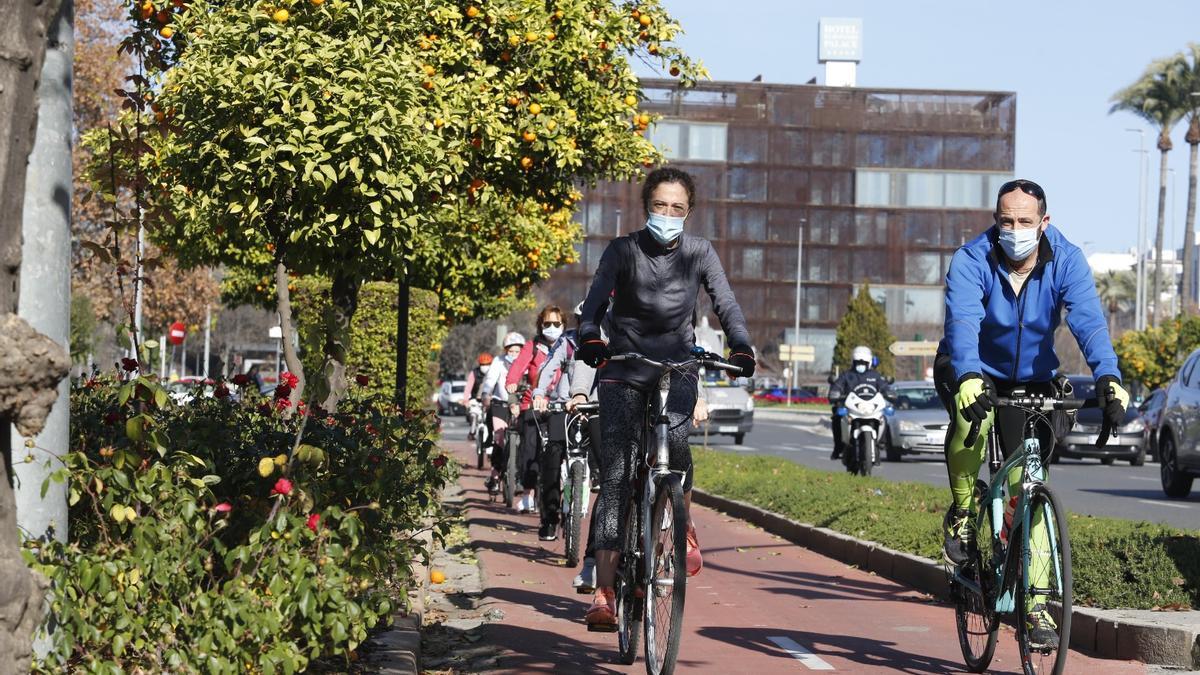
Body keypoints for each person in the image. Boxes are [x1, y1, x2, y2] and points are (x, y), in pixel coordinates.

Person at [937, 178, 1128, 648]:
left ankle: (1037, 603)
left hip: (1034, 378)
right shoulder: (970, 260)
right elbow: (963, 323)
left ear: (1044, 222)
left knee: (1031, 484)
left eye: (1025, 221)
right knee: (973, 418)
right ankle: (963, 509)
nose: (1015, 229)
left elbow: (1087, 319)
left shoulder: (1066, 259)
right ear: (995, 220)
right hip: (971, 366)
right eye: (1006, 221)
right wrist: (966, 377)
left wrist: (1109, 376)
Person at [575, 167, 757, 629]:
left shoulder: (700, 252)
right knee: (616, 475)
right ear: (647, 207)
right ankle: (605, 590)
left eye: (678, 208)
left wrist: (740, 343)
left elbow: (725, 302)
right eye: (660, 206)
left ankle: (681, 519)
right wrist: (591, 338)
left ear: (688, 212)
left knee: (675, 446)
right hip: (623, 367)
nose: (668, 214)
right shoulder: (622, 250)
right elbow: (594, 304)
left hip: (677, 365)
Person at [505, 306, 567, 515]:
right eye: (547, 324)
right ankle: (527, 494)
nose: (552, 328)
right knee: (530, 447)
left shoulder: (568, 344)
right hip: (532, 404)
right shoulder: (532, 346)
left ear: (564, 325)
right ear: (541, 325)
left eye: (556, 324)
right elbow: (518, 367)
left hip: (560, 404)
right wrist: (512, 382)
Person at [828, 345, 894, 464]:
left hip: (870, 408)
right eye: (858, 362)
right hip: (852, 408)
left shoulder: (875, 376)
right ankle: (838, 447)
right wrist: (835, 393)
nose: (860, 365)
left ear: (869, 363)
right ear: (853, 362)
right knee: (837, 417)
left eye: (863, 362)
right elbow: (837, 386)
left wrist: (889, 392)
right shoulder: (847, 375)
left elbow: (884, 386)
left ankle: (880, 444)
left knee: (884, 418)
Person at [481, 332, 526, 494]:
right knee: (499, 438)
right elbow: (490, 381)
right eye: (510, 351)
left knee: (523, 440)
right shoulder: (498, 362)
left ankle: (520, 476)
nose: (514, 355)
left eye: (517, 351)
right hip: (500, 404)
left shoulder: (526, 362)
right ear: (505, 350)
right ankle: (494, 476)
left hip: (520, 405)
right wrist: (485, 395)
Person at [464, 353, 493, 441]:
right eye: (483, 365)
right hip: (475, 399)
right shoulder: (474, 373)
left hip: (490, 399)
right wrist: (465, 400)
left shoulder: (494, 372)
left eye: (487, 364)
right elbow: (468, 386)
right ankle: (472, 432)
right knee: (474, 414)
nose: (485, 366)